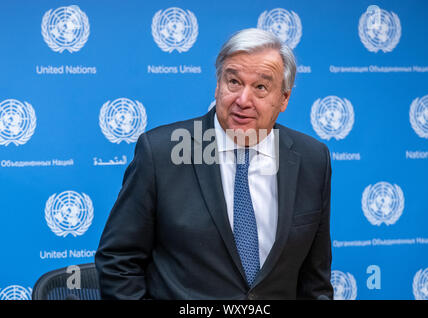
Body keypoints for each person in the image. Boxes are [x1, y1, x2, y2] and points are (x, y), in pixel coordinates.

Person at [95, 28, 333, 300]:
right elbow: (118, 261)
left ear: (284, 98)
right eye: (233, 82)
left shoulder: (313, 159)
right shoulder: (161, 153)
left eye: (260, 87)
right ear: (218, 84)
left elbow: (315, 280)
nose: (243, 101)